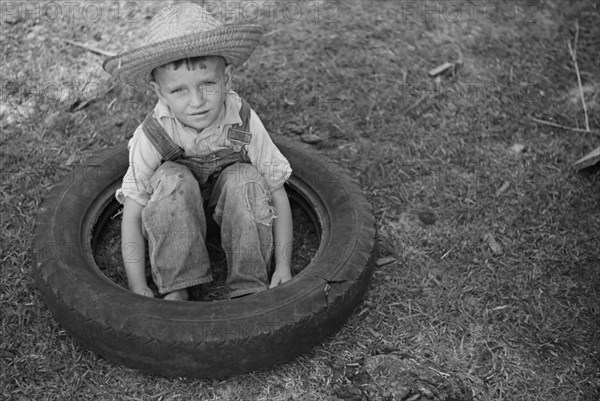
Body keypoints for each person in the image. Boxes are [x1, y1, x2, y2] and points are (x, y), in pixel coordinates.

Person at [103, 3, 293, 300]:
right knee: (170, 178)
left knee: (245, 178)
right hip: (174, 216)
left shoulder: (241, 120)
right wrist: (137, 285)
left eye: (208, 84)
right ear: (159, 92)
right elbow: (134, 207)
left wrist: (283, 264)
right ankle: (178, 287)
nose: (197, 101)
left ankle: (248, 286)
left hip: (230, 216)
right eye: (179, 90)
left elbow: (276, 191)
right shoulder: (154, 133)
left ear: (227, 79)